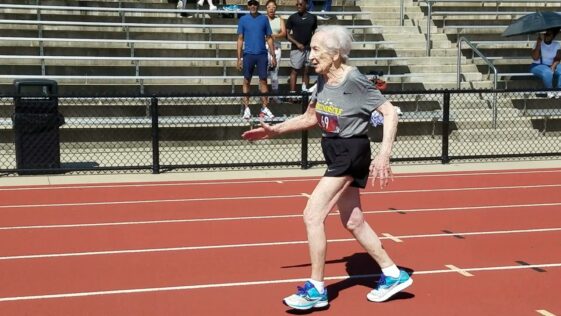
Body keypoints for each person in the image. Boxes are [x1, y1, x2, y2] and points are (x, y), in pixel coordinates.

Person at [242, 25, 412, 311]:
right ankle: (393, 274)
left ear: (335, 55)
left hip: (351, 151)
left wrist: (384, 156)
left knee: (312, 214)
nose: (311, 55)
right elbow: (310, 117)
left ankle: (316, 289)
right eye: (311, 48)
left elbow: (389, 111)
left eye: (317, 49)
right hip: (335, 152)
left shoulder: (354, 80)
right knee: (353, 221)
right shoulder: (322, 82)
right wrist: (276, 130)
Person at [237, 0, 278, 119]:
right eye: (251, 4)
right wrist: (239, 58)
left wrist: (273, 56)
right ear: (248, 6)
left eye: (255, 4)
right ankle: (247, 108)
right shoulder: (243, 19)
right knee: (246, 81)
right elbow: (240, 39)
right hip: (248, 55)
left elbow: (269, 38)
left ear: (258, 5)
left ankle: (264, 108)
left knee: (264, 81)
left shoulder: (264, 19)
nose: (253, 6)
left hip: (262, 55)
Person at [286, 0, 317, 94]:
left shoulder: (312, 17)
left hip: (308, 49)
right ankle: (292, 94)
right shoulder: (292, 17)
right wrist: (297, 44)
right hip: (296, 49)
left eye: (300, 4)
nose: (298, 6)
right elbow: (287, 34)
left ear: (306, 5)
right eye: (297, 4)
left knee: (306, 71)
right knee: (294, 71)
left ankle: (304, 94)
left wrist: (313, 45)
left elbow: (314, 33)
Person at [530, 27, 561, 98]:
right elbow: (535, 57)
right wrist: (538, 44)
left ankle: (559, 91)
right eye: (545, 34)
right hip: (537, 65)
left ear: (553, 36)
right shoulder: (538, 43)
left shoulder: (556, 44)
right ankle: (550, 91)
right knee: (547, 72)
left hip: (551, 64)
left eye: (549, 34)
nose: (546, 36)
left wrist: (553, 66)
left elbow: (558, 58)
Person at [265, 0, 286, 102]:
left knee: (274, 72)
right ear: (266, 8)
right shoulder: (262, 19)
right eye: (269, 7)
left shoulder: (280, 19)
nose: (271, 9)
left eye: (273, 7)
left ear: (276, 8)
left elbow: (284, 33)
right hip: (264, 47)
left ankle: (275, 95)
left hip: (276, 47)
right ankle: (264, 96)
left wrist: (274, 36)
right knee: (263, 72)